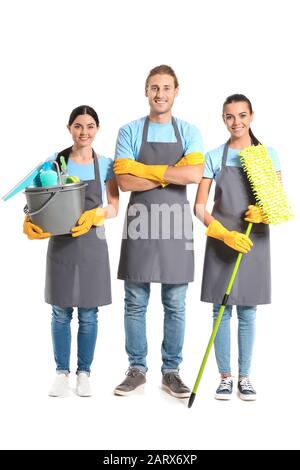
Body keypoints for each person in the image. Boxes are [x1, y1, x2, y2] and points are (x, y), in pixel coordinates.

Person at [113, 65, 204, 398]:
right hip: (140, 223)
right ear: (146, 91)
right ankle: (137, 368)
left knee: (176, 303)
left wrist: (144, 169)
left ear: (176, 91)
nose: (160, 94)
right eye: (154, 88)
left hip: (176, 225)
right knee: (135, 301)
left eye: (166, 88)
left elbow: (194, 175)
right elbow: (123, 182)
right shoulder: (130, 131)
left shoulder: (190, 131)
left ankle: (171, 371)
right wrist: (171, 172)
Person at [23, 105, 119, 397]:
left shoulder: (106, 165)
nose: (84, 132)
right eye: (78, 126)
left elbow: (114, 206)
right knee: (61, 312)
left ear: (97, 130)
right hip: (61, 245)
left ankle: (85, 373)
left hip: (93, 244)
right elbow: (35, 200)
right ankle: (62, 373)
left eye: (90, 126)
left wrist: (95, 216)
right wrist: (28, 221)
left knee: (89, 313)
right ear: (69, 129)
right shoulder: (54, 164)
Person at [194, 94, 281, 401]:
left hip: (253, 240)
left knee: (248, 310)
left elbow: (277, 204)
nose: (237, 122)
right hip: (222, 240)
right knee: (220, 311)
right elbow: (199, 207)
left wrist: (264, 212)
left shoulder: (266, 155)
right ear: (223, 119)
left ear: (251, 116)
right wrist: (221, 233)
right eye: (230, 117)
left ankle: (245, 377)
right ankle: (225, 378)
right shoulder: (213, 157)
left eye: (242, 115)